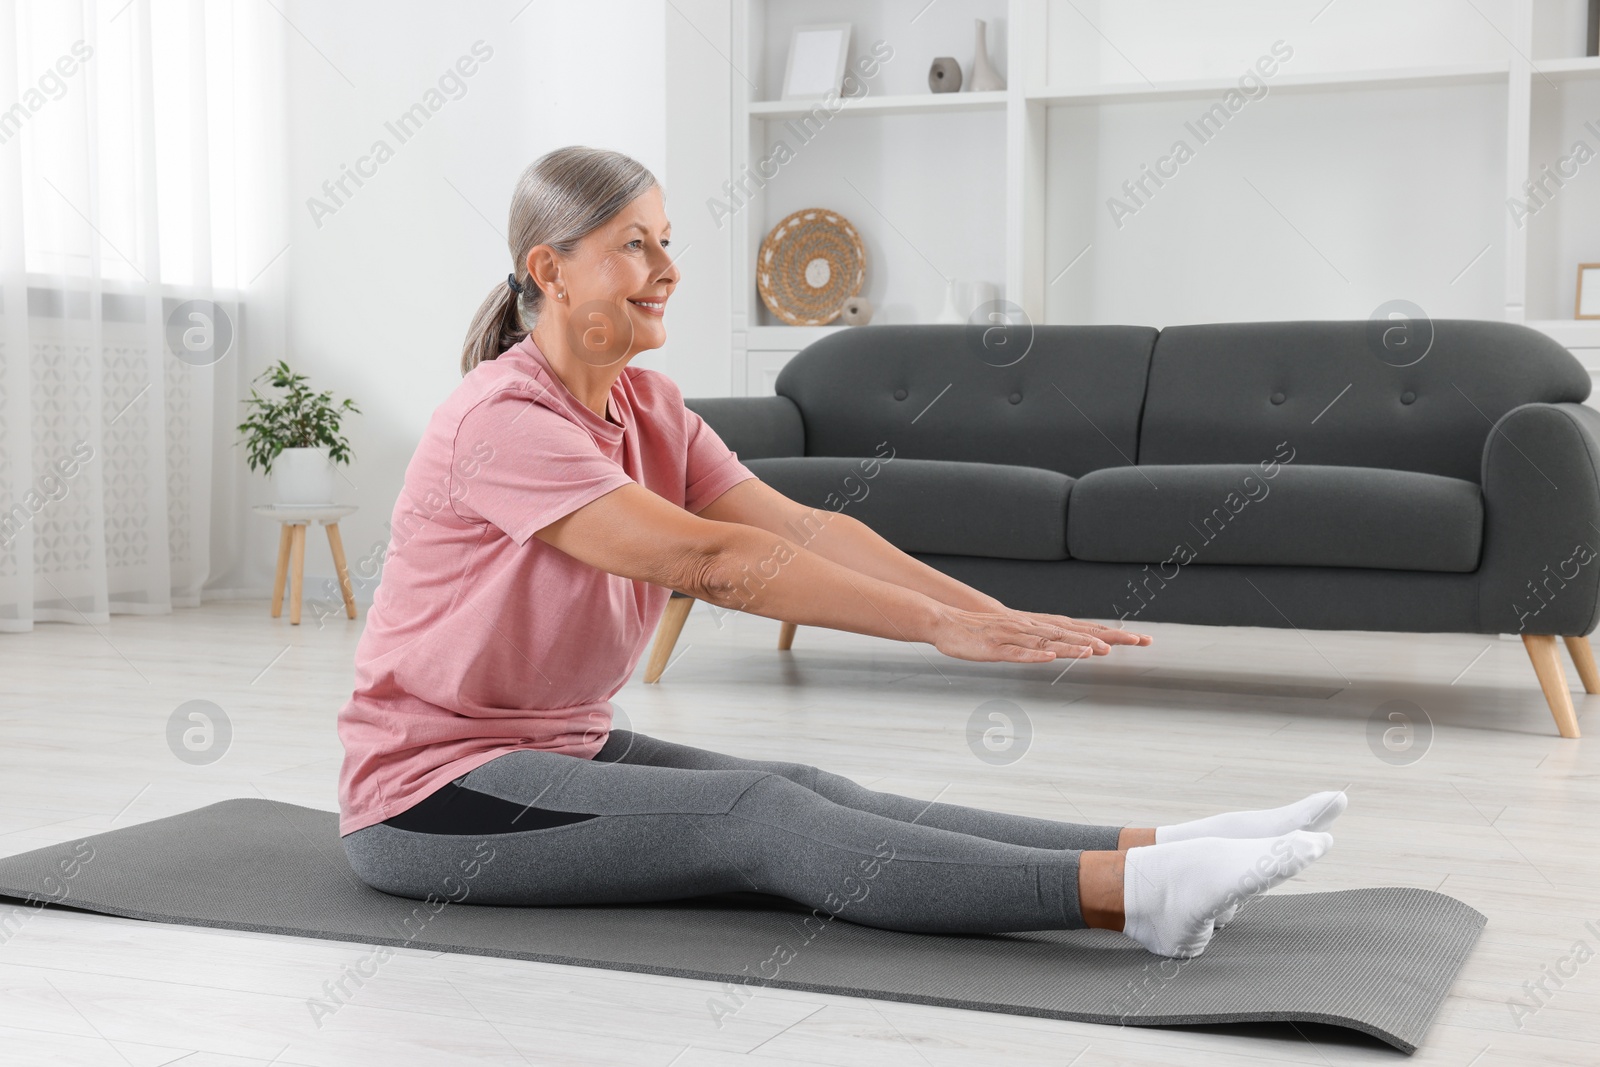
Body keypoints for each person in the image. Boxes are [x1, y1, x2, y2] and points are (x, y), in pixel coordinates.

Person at [337, 146, 1341, 959]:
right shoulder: (501, 422)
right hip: (433, 793)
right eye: (633, 245)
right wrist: (938, 629)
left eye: (668, 242)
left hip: (559, 743)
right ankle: (1134, 899)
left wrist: (979, 611)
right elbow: (713, 561)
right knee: (761, 816)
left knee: (816, 787)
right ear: (549, 270)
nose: (669, 270)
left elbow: (802, 527)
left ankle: (1159, 845)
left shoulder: (649, 404)